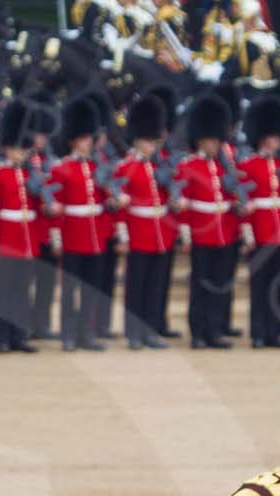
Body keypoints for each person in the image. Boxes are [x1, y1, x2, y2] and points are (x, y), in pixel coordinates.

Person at [45, 97, 110, 352]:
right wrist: (58, 240)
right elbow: (55, 211)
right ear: (73, 140)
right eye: (82, 138)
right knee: (70, 289)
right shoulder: (61, 170)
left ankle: (86, 333)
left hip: (95, 236)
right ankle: (68, 334)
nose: (87, 143)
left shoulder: (98, 168)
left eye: (88, 138)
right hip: (73, 236)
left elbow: (105, 206)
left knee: (91, 290)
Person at [176, 95, 241, 349]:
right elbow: (184, 204)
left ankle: (215, 330)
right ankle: (198, 332)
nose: (215, 144)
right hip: (202, 234)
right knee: (200, 284)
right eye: (211, 139)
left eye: (217, 139)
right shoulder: (188, 166)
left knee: (219, 285)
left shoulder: (225, 167)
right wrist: (186, 235)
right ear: (200, 139)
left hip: (225, 232)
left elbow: (232, 197)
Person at [237, 95, 280, 350]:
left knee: (278, 285)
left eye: (277, 137)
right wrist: (248, 234)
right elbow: (245, 203)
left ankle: (274, 332)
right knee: (259, 286)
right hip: (261, 232)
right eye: (270, 137)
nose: (274, 141)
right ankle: (259, 333)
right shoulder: (248, 165)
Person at [116, 92, 175, 350]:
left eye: (154, 141)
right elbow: (120, 209)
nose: (151, 146)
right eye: (147, 141)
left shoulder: (160, 167)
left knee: (155, 285)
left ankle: (150, 331)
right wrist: (124, 236)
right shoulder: (125, 167)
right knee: (136, 286)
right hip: (138, 232)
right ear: (138, 140)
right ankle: (133, 333)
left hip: (160, 232)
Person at [0, 99, 42, 353]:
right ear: (7, 149)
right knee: (5, 290)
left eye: (23, 149)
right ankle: (3, 336)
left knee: (22, 290)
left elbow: (37, 211)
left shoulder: (31, 176)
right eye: (17, 148)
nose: (21, 153)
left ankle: (19, 335)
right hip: (7, 238)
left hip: (26, 238)